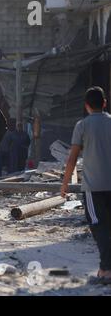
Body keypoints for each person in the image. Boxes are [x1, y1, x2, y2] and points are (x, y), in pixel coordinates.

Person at [62, 87, 111, 283]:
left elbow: (72, 158)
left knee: (100, 228)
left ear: (86, 105)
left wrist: (64, 184)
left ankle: (106, 270)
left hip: (94, 187)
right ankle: (104, 268)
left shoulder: (82, 125)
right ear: (104, 103)